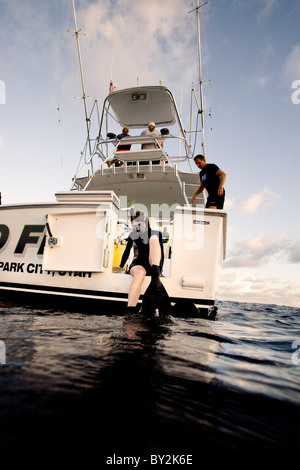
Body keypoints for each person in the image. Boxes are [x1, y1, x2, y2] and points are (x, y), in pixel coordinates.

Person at [118, 211, 164, 313]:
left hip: (152, 263)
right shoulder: (133, 234)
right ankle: (130, 311)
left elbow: (162, 254)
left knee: (154, 238)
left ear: (146, 223)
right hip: (138, 264)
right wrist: (121, 267)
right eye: (135, 225)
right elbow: (126, 251)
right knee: (140, 273)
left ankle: (156, 274)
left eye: (140, 224)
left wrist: (160, 271)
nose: (138, 227)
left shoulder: (156, 234)